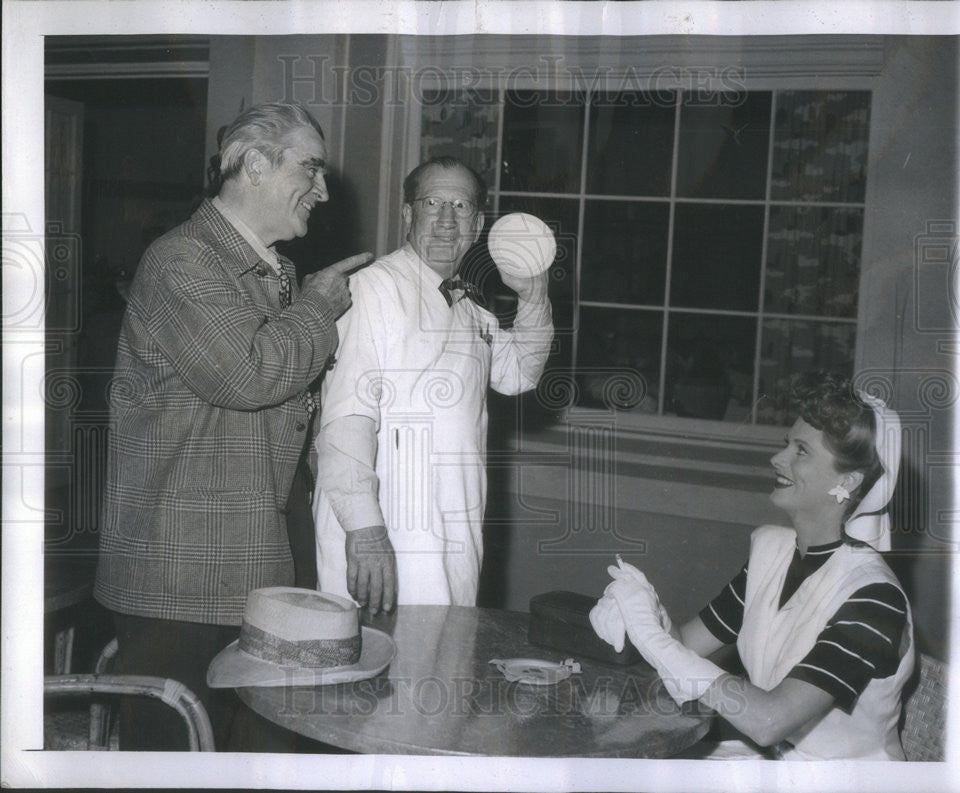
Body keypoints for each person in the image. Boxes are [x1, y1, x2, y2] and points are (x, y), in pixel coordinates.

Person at [93, 101, 371, 751]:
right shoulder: (183, 261)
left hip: (242, 564)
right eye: (312, 169)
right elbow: (249, 374)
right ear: (252, 165)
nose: (324, 190)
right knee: (172, 759)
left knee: (244, 753)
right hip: (178, 576)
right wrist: (318, 311)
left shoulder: (271, 272)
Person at [591, 370, 915, 760]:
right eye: (786, 444)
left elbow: (770, 720)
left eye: (801, 450)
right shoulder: (771, 553)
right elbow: (687, 644)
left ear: (849, 481)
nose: (777, 458)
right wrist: (643, 605)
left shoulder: (875, 597)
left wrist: (652, 638)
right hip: (776, 766)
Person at [313, 156, 554, 613]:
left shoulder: (469, 308)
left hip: (454, 535)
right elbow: (346, 418)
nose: (446, 220)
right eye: (432, 203)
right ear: (408, 214)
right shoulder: (372, 290)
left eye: (460, 206)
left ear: (478, 224)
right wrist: (364, 530)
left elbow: (521, 372)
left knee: (442, 669)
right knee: (377, 678)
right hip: (385, 539)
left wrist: (534, 293)